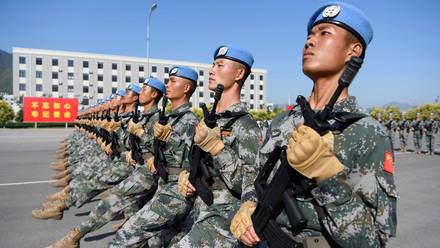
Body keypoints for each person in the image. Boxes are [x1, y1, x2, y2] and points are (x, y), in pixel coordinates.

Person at [231, 2, 397, 247]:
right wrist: (247, 203)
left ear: (354, 51)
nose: (309, 42)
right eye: (309, 35)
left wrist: (326, 175)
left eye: (324, 33)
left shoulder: (367, 133)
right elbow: (255, 177)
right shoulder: (282, 121)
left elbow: (372, 241)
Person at [45, 78, 166, 248]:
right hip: (131, 165)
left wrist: (128, 144)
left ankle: (69, 218)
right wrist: (116, 140)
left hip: (140, 170)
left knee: (109, 191)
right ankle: (68, 199)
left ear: (154, 94)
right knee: (125, 201)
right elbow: (128, 144)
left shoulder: (156, 120)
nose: (116, 100)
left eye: (145, 89)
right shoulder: (141, 117)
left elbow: (157, 150)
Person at [173, 46, 261, 247]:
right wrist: (186, 174)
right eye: (213, 65)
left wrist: (217, 149)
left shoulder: (246, 127)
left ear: (239, 74)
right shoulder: (210, 120)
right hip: (199, 208)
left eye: (220, 65)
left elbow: (250, 183)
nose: (211, 70)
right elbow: (193, 159)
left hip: (224, 216)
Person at [108, 66, 199, 248]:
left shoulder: (189, 120)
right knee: (161, 240)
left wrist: (143, 135)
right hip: (163, 184)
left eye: (173, 81)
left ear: (187, 88)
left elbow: (193, 160)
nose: (168, 85)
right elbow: (153, 149)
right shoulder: (169, 118)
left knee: (125, 237)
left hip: (176, 191)